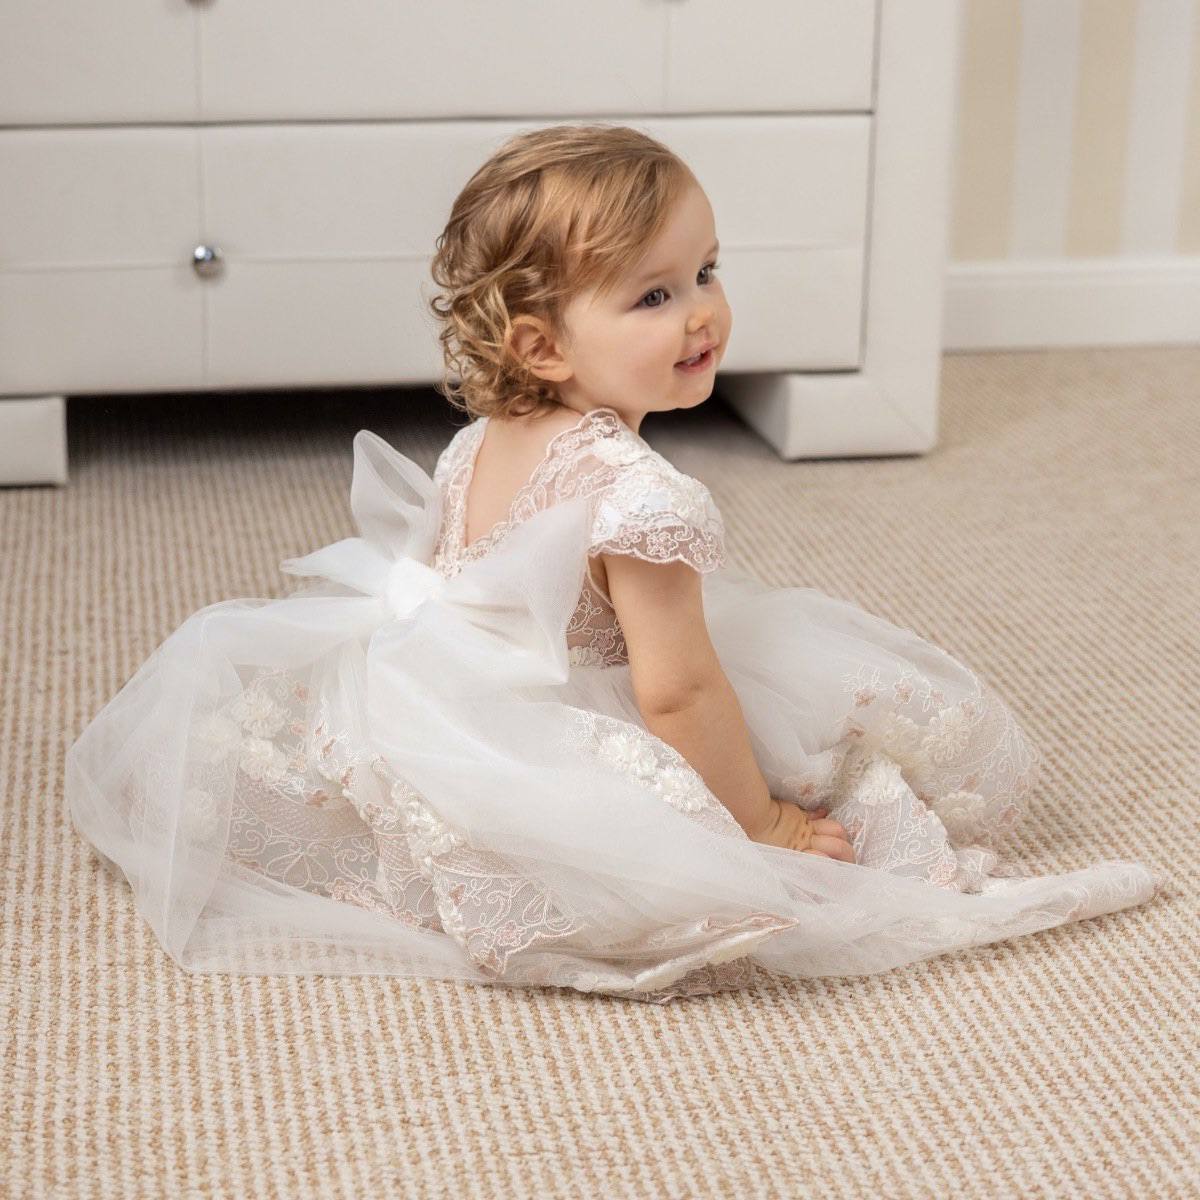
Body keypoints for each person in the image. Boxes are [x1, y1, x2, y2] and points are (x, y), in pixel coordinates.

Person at [65, 125, 1160, 1003]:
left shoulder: (477, 441)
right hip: (551, 711)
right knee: (846, 766)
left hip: (437, 694)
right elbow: (677, 689)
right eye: (654, 294)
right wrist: (765, 825)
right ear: (542, 345)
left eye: (706, 271)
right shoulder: (645, 497)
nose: (703, 313)